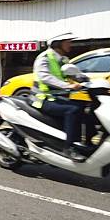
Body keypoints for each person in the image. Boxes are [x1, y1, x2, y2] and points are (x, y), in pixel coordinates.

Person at [31, 34, 85, 162]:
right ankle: (68, 148)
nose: (70, 45)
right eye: (67, 42)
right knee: (72, 110)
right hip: (42, 99)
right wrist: (67, 86)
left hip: (56, 98)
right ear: (57, 44)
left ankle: (81, 143)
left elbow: (74, 74)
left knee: (85, 107)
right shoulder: (44, 58)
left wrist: (85, 80)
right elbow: (45, 77)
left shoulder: (64, 59)